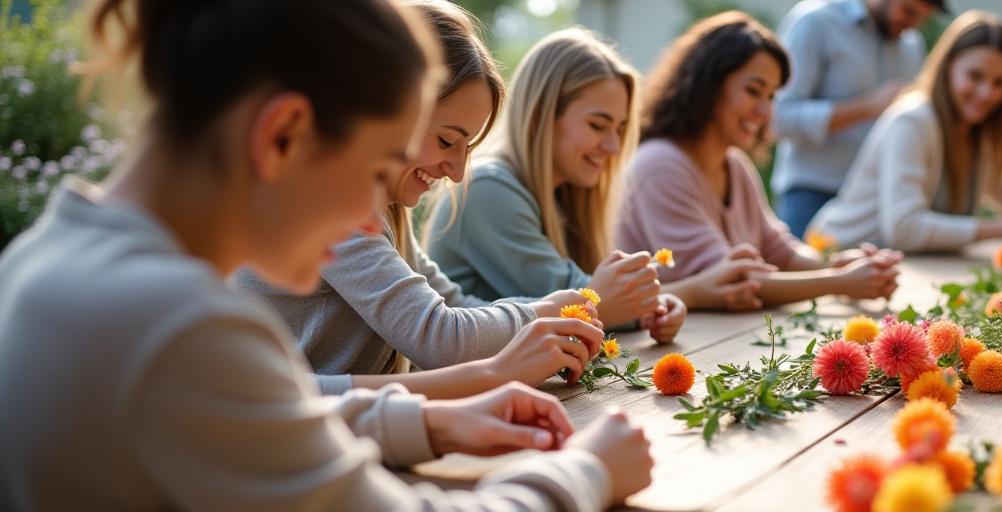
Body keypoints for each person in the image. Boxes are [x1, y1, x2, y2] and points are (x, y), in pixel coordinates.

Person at [0, 0, 651, 509]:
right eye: (375, 167)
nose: (372, 218)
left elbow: (256, 415)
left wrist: (429, 422)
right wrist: (586, 472)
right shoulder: (182, 323)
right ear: (283, 135)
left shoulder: (47, 257)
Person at [235, 0, 600, 399]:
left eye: (467, 147)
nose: (458, 172)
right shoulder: (326, 200)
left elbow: (453, 303)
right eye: (447, 141)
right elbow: (441, 339)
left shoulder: (386, 213)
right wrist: (545, 313)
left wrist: (550, 314)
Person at [426, 28, 710, 337]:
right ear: (539, 116)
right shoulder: (486, 188)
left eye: (620, 129)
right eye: (597, 125)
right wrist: (691, 292)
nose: (613, 147)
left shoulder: (563, 195)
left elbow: (601, 300)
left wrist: (656, 306)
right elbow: (582, 298)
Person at [615, 11, 901, 307]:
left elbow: (781, 252)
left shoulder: (734, 163)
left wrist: (839, 267)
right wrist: (840, 282)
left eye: (772, 97)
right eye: (753, 91)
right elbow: (727, 280)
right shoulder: (660, 165)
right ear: (707, 84)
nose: (765, 112)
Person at [810, 11, 1002, 252]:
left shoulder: (977, 134)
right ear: (948, 66)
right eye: (975, 76)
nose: (987, 93)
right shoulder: (912, 121)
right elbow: (903, 228)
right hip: (837, 259)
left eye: (1000, 83)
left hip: (898, 272)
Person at [772, 0, 946, 237]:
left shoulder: (911, 44)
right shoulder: (816, 22)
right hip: (811, 195)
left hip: (875, 205)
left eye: (921, 19)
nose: (911, 24)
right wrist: (867, 107)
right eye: (908, 11)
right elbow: (779, 118)